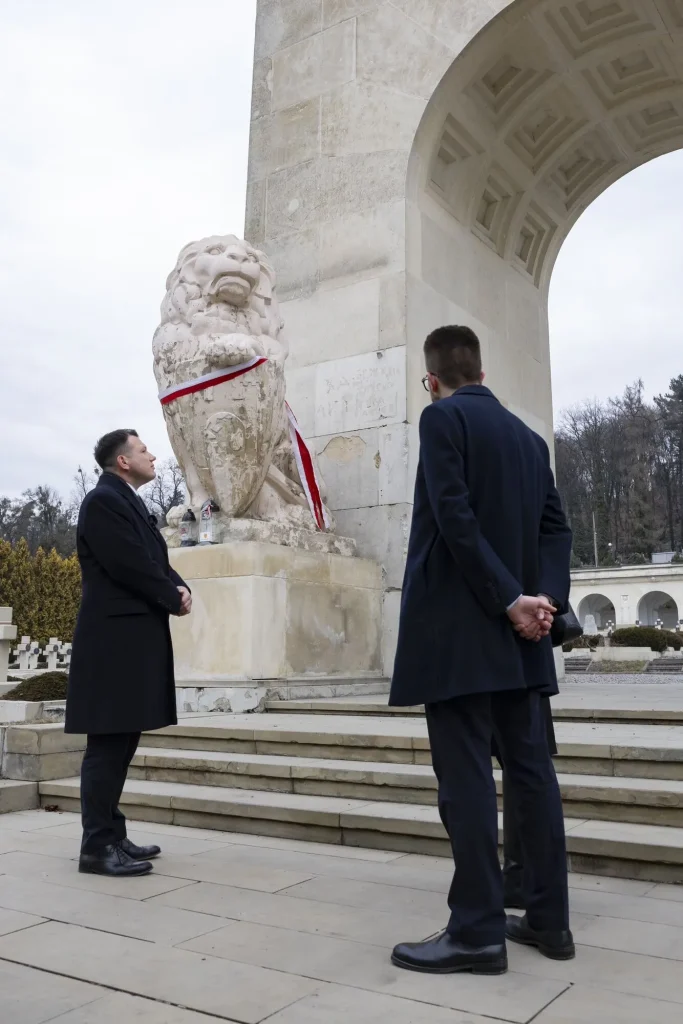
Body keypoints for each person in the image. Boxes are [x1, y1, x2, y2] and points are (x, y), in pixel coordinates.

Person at [389, 326, 574, 976]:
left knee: (465, 780)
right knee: (530, 779)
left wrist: (507, 600)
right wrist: (542, 600)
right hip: (523, 640)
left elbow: (452, 515)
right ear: (482, 370)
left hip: (460, 636)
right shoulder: (528, 440)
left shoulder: (441, 419)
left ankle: (475, 932)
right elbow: (556, 530)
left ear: (430, 379)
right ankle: (549, 921)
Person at [65, 430, 192, 877]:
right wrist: (171, 596)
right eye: (143, 450)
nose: (152, 455)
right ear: (122, 461)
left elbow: (154, 558)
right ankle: (96, 847)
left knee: (122, 741)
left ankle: (113, 834)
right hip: (112, 645)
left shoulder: (128, 501)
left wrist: (180, 586)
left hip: (131, 642)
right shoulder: (102, 502)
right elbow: (129, 563)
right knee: (107, 744)